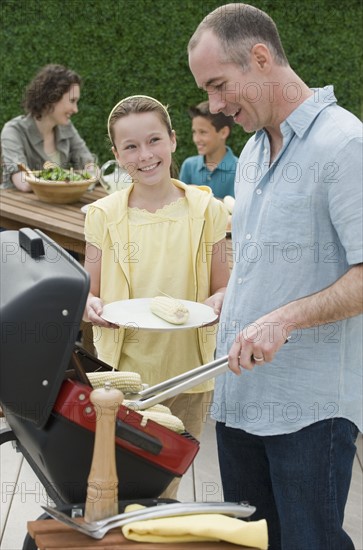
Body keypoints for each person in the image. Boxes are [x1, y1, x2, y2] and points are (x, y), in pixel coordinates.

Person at [188, 4, 362, 550]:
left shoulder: (345, 145)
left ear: (260, 58)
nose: (215, 106)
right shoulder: (254, 150)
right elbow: (265, 260)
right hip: (239, 399)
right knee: (249, 545)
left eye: (219, 86)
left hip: (309, 412)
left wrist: (282, 319)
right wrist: (226, 298)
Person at [82, 95, 230, 497]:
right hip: (124, 379)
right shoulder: (102, 215)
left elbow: (222, 285)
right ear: (116, 154)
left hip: (189, 377)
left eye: (154, 141)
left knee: (165, 486)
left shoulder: (207, 211)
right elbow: (89, 291)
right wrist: (89, 305)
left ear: (173, 141)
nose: (144, 155)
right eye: (130, 147)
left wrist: (219, 300)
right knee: (115, 484)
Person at [1, 64, 95, 191]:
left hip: (56, 205)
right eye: (72, 101)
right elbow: (23, 182)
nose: (75, 109)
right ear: (52, 97)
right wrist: (69, 178)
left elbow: (89, 164)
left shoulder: (66, 128)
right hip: (16, 208)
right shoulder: (13, 131)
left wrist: (91, 171)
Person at [179, 100, 238, 198]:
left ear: (223, 132)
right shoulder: (188, 166)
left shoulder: (239, 170)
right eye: (194, 132)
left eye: (203, 132)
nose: (196, 139)